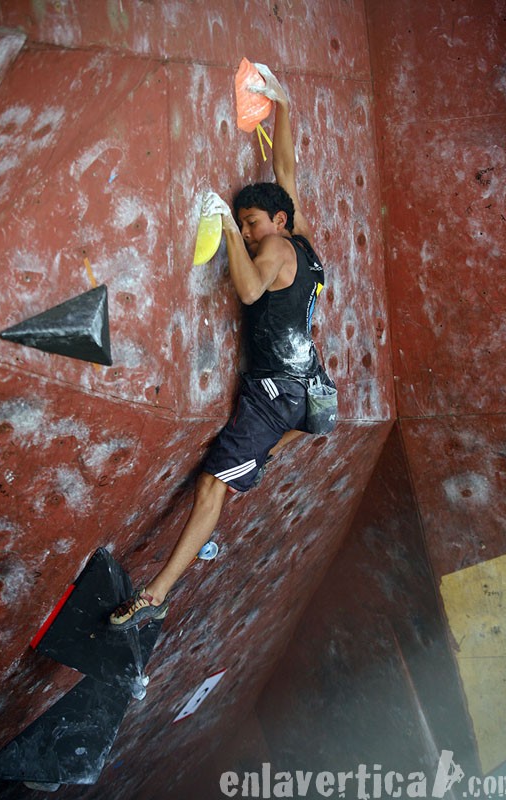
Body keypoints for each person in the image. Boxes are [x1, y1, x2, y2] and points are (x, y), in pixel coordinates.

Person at [109, 63, 331, 630]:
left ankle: (156, 593)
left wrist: (226, 231)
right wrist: (282, 105)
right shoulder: (301, 238)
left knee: (211, 484)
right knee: (242, 466)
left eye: (253, 222)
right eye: (245, 225)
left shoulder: (277, 249)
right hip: (309, 386)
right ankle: (246, 471)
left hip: (275, 393)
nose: (250, 230)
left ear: (276, 222)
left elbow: (252, 289)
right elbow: (286, 168)